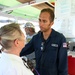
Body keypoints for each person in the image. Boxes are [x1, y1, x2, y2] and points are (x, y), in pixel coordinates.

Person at [20, 8, 68, 75]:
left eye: (44, 21)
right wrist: (9, 49)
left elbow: (63, 64)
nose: (41, 24)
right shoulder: (36, 38)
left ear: (51, 23)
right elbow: (23, 50)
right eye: (40, 20)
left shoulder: (60, 39)